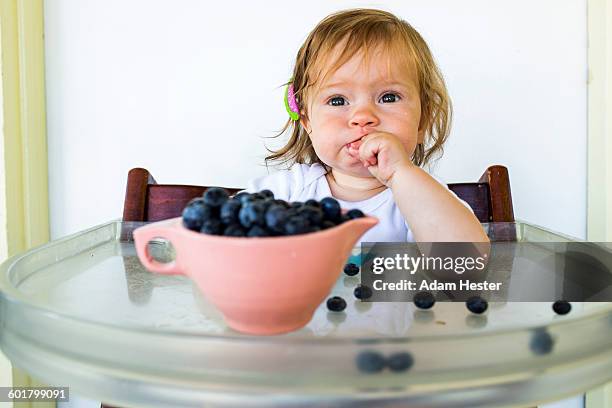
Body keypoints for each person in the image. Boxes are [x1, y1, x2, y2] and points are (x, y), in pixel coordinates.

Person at [247, 8, 489, 244]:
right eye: (337, 100)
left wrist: (399, 174)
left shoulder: (424, 198)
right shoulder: (286, 192)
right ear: (307, 120)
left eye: (389, 97)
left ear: (423, 119)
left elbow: (465, 267)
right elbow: (217, 234)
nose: (362, 116)